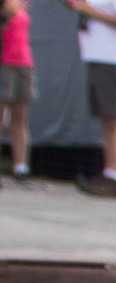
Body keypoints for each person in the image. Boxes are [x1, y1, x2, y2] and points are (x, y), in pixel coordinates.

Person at [62, 0, 116, 198]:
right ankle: (109, 173)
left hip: (112, 59)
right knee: (107, 118)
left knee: (115, 117)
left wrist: (89, 11)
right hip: (97, 57)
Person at [0, 0, 31, 184]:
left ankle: (20, 167)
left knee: (20, 117)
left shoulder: (22, 4)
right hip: (4, 63)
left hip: (23, 64)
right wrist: (7, 13)